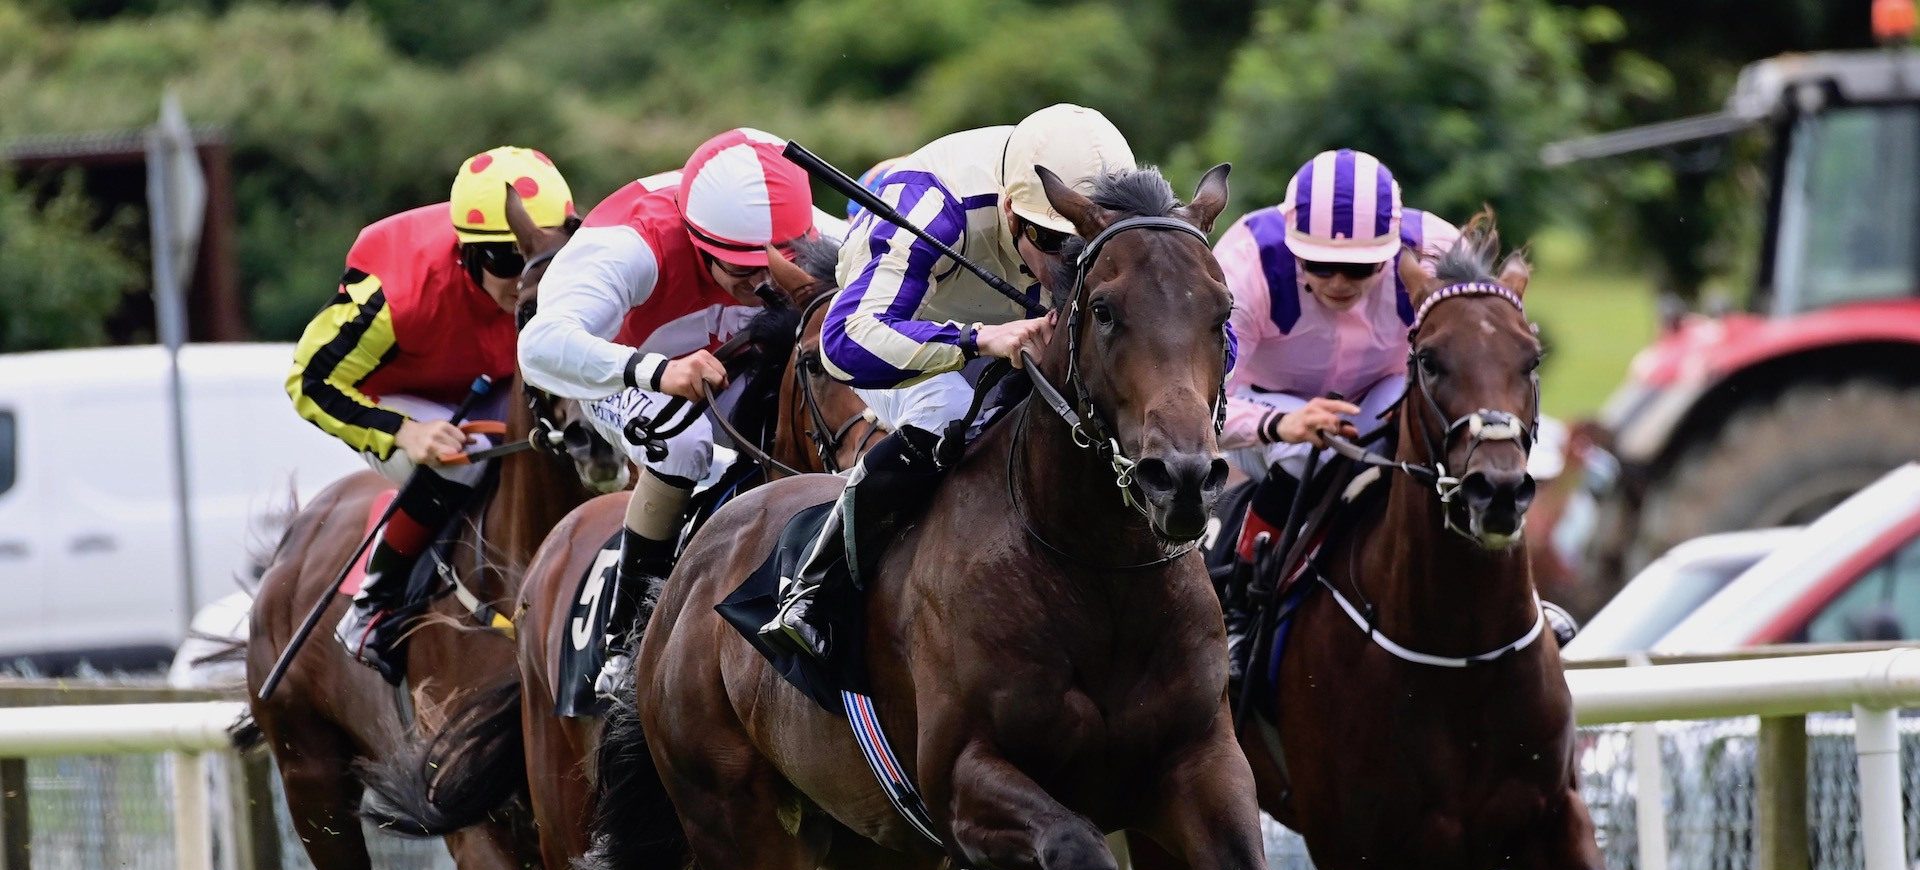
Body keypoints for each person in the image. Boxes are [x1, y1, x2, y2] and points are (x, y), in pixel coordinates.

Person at [759, 104, 1135, 661]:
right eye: (1053, 245)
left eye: (1080, 246)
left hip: (1014, 326)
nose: (1066, 266)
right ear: (1012, 212)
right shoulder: (929, 203)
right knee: (950, 406)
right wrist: (979, 340)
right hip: (899, 330)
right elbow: (846, 345)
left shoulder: (1114, 205)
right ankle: (815, 588)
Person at [519, 127, 843, 696]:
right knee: (685, 445)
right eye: (741, 271)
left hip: (731, 358)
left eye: (778, 264)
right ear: (697, 242)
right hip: (622, 365)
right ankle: (626, 638)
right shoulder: (629, 243)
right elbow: (538, 349)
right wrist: (659, 372)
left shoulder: (817, 230)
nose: (764, 284)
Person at [287, 145, 575, 680]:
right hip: (397, 397)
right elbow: (308, 380)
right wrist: (405, 434)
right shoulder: (395, 295)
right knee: (462, 458)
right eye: (506, 261)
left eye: (541, 258)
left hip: (493, 384)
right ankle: (375, 604)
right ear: (466, 252)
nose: (524, 277)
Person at [1212, 148, 1460, 687]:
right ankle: (1239, 608)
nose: (1340, 281)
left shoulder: (1438, 251)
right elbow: (1198, 403)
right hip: (1266, 403)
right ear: (1290, 244)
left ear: (1394, 252)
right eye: (1319, 264)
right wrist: (1280, 426)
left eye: (1362, 267)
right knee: (1305, 452)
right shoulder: (1245, 264)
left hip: (1382, 390)